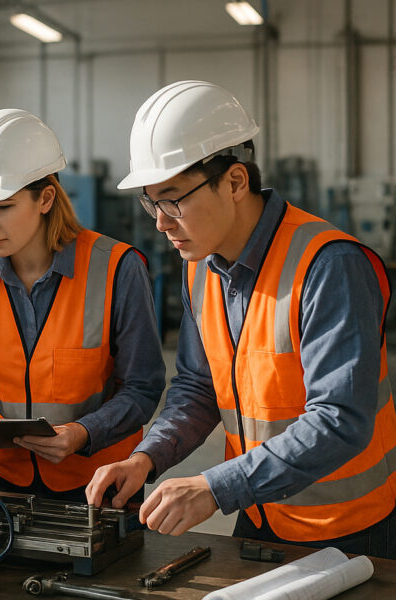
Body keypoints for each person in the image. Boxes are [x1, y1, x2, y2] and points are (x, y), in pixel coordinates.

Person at [86, 80, 396, 559]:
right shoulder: (200, 268)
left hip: (348, 528)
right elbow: (198, 387)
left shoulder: (328, 265)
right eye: (150, 202)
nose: (160, 222)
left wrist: (216, 487)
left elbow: (340, 420)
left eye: (173, 199)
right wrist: (146, 458)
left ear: (234, 182)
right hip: (259, 513)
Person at [0, 109, 165, 500]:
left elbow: (142, 388)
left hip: (98, 478)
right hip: (2, 476)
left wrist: (83, 433)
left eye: (2, 206)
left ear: (45, 198)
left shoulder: (117, 269)